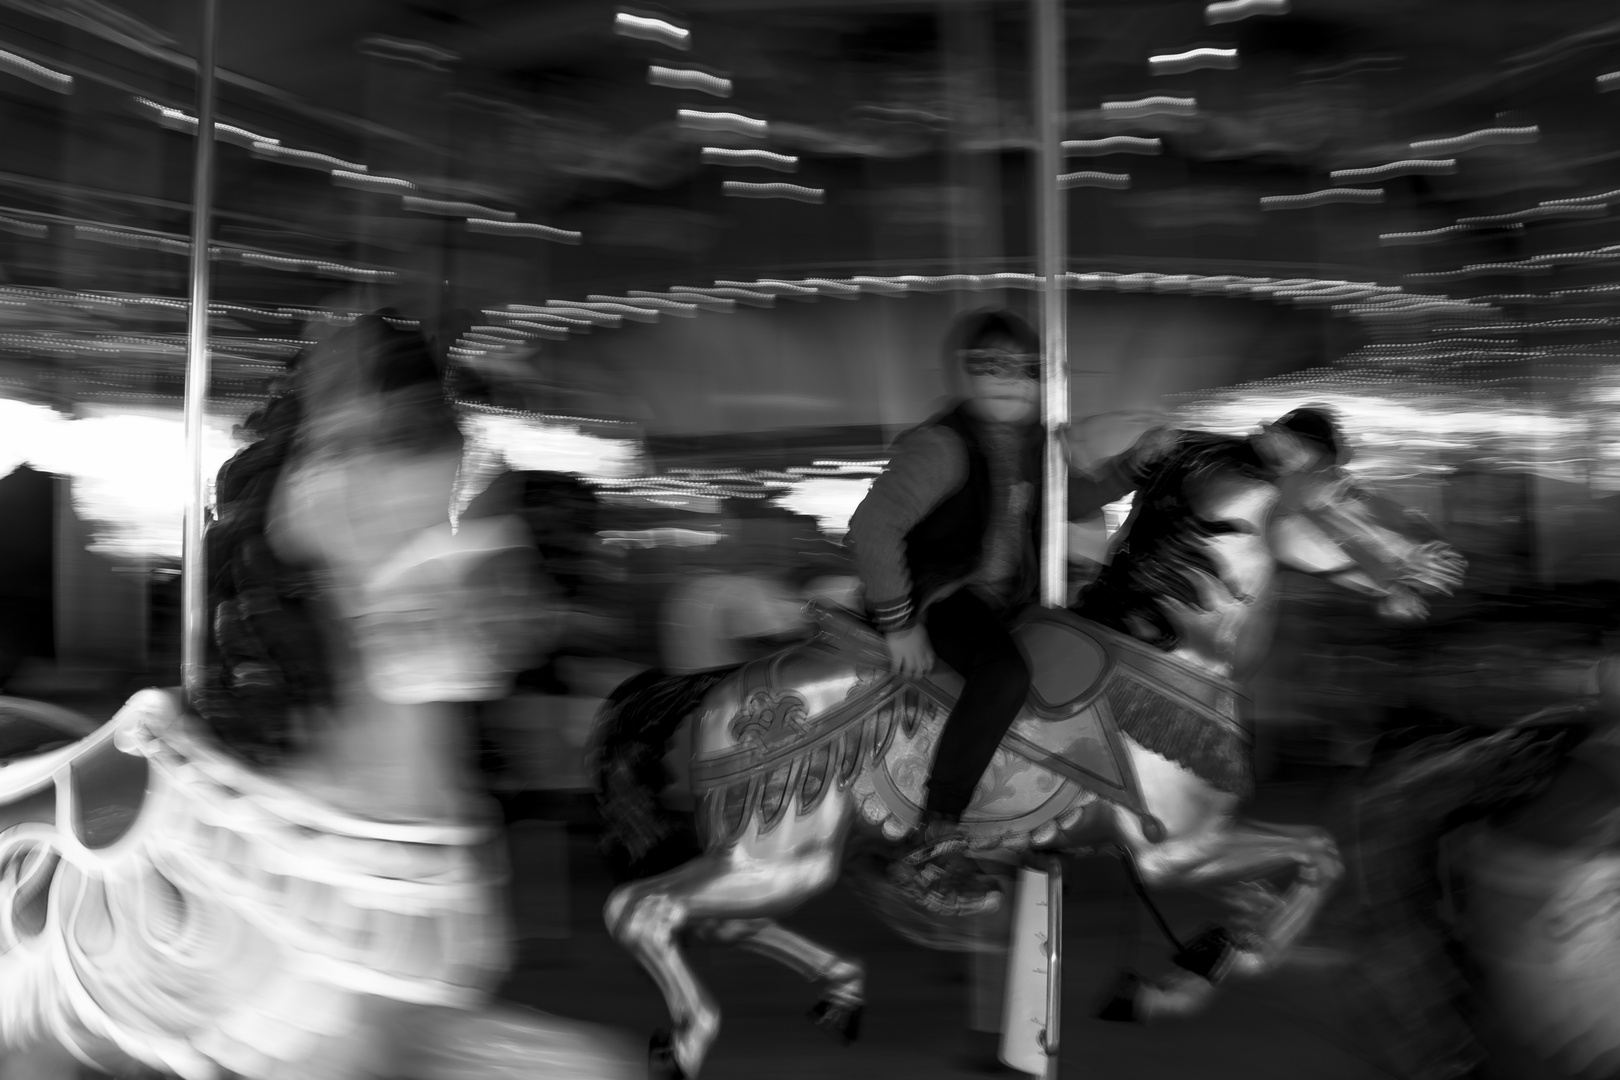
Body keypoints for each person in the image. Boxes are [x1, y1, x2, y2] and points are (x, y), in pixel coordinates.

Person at [845, 308, 1171, 913]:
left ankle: (1043, 808)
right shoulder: (941, 446)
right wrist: (900, 621)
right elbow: (873, 526)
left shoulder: (1031, 446)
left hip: (1005, 600)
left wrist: (1134, 466)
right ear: (966, 375)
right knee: (1006, 673)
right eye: (989, 366)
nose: (1007, 380)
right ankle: (934, 836)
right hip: (939, 595)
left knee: (1087, 653)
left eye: (1023, 370)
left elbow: (1070, 496)